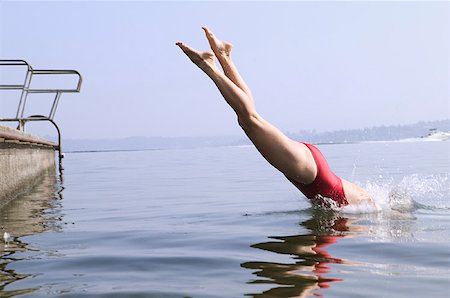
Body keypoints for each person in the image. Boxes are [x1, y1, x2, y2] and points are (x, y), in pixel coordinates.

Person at [176, 27, 374, 208]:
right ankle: (208, 65)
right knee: (250, 120)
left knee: (248, 120)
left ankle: (224, 56)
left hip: (312, 169)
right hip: (312, 174)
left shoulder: (367, 201)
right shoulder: (366, 207)